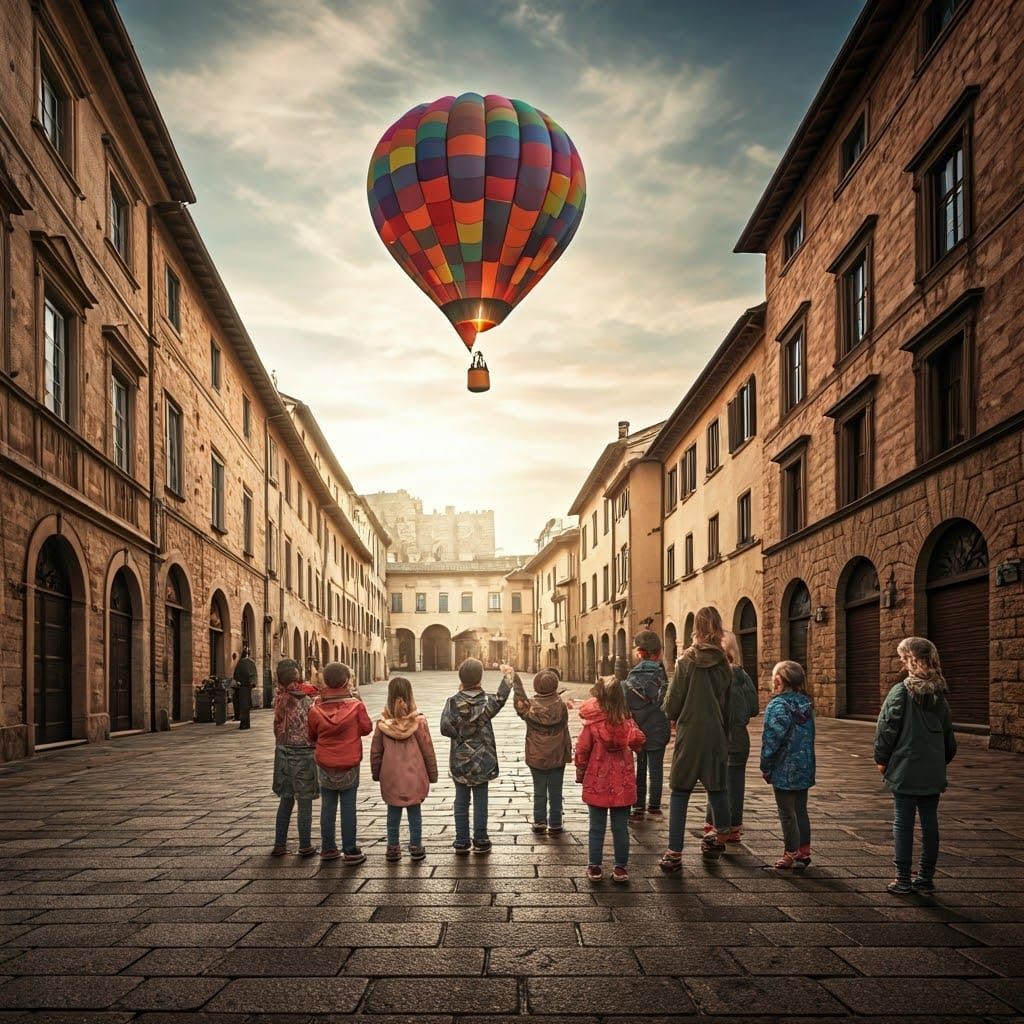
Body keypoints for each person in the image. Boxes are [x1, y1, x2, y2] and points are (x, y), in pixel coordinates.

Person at [874, 636, 957, 895]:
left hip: (905, 768)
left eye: (902, 656)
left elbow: (886, 727)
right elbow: (948, 736)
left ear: (911, 659)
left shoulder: (901, 691)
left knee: (903, 821)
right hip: (931, 769)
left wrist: (881, 758)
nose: (899, 660)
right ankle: (926, 876)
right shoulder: (939, 692)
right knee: (930, 822)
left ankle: (902, 879)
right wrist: (939, 760)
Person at [659, 606, 733, 872]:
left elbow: (671, 706)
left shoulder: (686, 660)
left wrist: (666, 703)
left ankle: (674, 852)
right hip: (715, 733)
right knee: (717, 788)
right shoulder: (724, 662)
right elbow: (728, 703)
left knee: (679, 792)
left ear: (696, 630)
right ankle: (722, 832)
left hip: (690, 733)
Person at [575, 676, 645, 883]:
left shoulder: (592, 725)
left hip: (597, 782)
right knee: (620, 828)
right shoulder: (628, 722)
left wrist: (580, 772)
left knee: (596, 827)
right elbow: (638, 741)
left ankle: (595, 866)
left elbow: (582, 750)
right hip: (622, 784)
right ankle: (621, 868)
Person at [439, 658, 511, 855]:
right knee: (481, 799)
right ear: (480, 678)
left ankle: (461, 841)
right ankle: (481, 839)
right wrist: (507, 676)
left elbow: (445, 729)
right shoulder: (487, 701)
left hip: (461, 759)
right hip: (483, 760)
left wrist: (461, 733)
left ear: (460, 678)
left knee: (461, 800)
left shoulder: (453, 702)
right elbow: (501, 698)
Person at [307, 663, 372, 865]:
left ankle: (328, 848)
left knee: (327, 806)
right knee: (348, 806)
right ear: (346, 680)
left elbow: (311, 735)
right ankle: (351, 850)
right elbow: (367, 728)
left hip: (325, 763)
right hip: (349, 762)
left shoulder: (315, 707)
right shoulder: (356, 705)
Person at [370, 676, 438, 862]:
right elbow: (428, 750)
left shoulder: (382, 724)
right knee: (414, 812)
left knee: (393, 813)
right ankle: (415, 846)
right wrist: (432, 774)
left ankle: (393, 847)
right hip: (414, 776)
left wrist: (377, 774)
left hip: (390, 777)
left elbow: (376, 753)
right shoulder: (419, 722)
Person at [704, 630, 760, 843]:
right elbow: (754, 708)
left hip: (714, 738)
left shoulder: (709, 676)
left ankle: (713, 824)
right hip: (738, 738)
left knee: (715, 781)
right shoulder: (741, 675)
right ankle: (734, 828)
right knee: (735, 784)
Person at [760, 660, 816, 870]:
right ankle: (804, 850)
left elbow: (772, 739)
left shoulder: (778, 706)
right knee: (801, 809)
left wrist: (766, 765)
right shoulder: (806, 704)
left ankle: (790, 851)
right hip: (805, 766)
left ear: (779, 681)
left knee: (787, 811)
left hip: (784, 768)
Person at [511, 666, 572, 836]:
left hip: (536, 755)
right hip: (557, 754)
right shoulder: (560, 705)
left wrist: (515, 679)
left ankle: (539, 821)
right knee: (556, 790)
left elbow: (519, 704)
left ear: (536, 686)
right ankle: (556, 822)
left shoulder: (530, 707)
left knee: (539, 790)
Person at [621, 630, 670, 822]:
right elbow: (668, 702)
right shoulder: (663, 676)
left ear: (640, 652)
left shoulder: (630, 678)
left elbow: (625, 706)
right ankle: (655, 805)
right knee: (656, 768)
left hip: (637, 729)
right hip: (658, 727)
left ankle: (638, 805)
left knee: (639, 766)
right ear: (657, 652)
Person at [271, 658, 319, 857]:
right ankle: (305, 845)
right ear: (298, 675)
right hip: (305, 752)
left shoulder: (279, 698)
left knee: (286, 799)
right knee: (305, 801)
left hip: (283, 752)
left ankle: (280, 844)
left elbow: (276, 726)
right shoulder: (309, 698)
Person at [232, 645, 258, 730]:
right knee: (246, 706)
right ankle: (246, 723)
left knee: (243, 705)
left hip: (243, 686)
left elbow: (236, 674)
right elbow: (254, 675)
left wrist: (238, 681)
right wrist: (253, 683)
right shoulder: (251, 662)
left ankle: (244, 723)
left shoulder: (241, 662)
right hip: (247, 686)